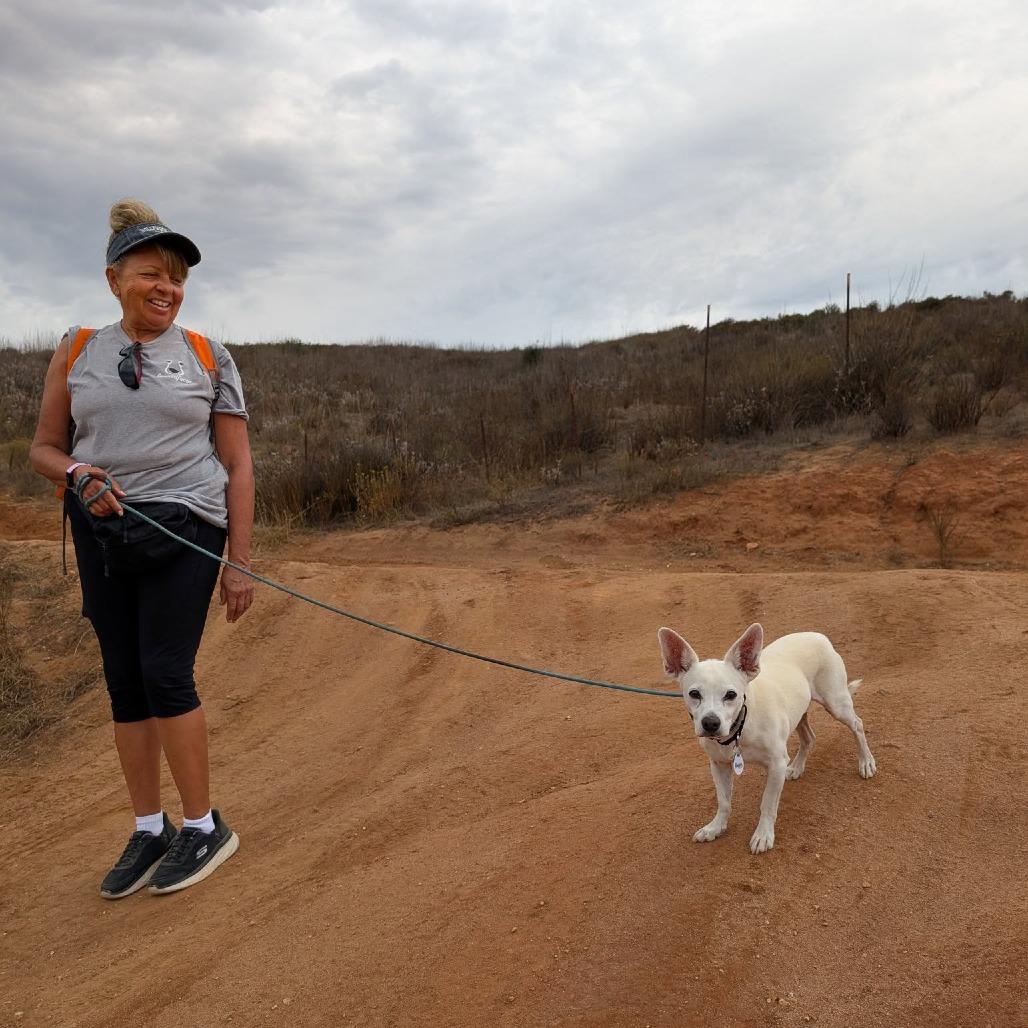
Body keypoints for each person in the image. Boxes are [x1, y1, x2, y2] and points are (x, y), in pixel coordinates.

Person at [30, 198, 255, 898]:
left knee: (164, 673)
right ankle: (150, 827)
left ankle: (203, 826)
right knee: (125, 682)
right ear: (113, 279)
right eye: (152, 273)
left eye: (177, 278)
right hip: (103, 528)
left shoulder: (206, 356)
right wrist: (78, 474)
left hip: (185, 522)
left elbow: (239, 464)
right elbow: (45, 448)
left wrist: (239, 561)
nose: (167, 288)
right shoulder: (76, 350)